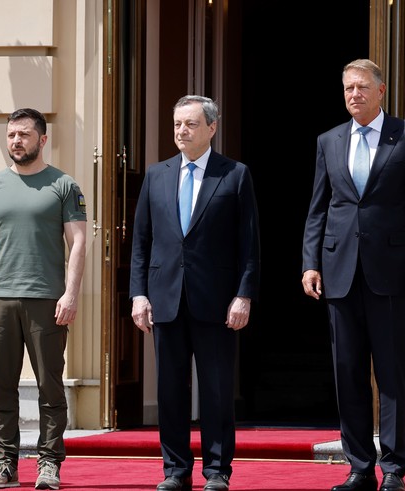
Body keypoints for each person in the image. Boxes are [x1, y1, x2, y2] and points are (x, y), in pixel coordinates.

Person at [301, 59, 405, 491]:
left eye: (361, 87)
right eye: (347, 89)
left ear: (381, 91)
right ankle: (359, 465)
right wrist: (310, 261)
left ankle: (394, 467)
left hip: (392, 272)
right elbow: (319, 208)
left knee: (391, 371)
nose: (353, 95)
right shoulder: (329, 140)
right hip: (339, 271)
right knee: (348, 370)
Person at [130, 95, 260, 491]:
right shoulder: (157, 175)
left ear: (211, 128)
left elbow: (249, 243)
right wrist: (138, 294)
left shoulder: (235, 174)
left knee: (217, 389)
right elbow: (141, 241)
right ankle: (175, 470)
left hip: (217, 301)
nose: (181, 131)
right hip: (165, 298)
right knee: (170, 389)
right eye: (177, 125)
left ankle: (218, 471)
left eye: (189, 124)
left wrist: (244, 294)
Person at [0, 108, 87, 491]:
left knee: (50, 385)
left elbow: (79, 240)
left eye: (24, 135)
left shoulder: (64, 185)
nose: (16, 141)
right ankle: (4, 463)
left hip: (47, 300)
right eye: (11, 135)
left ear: (42, 139)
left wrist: (71, 293)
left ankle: (49, 463)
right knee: (1, 384)